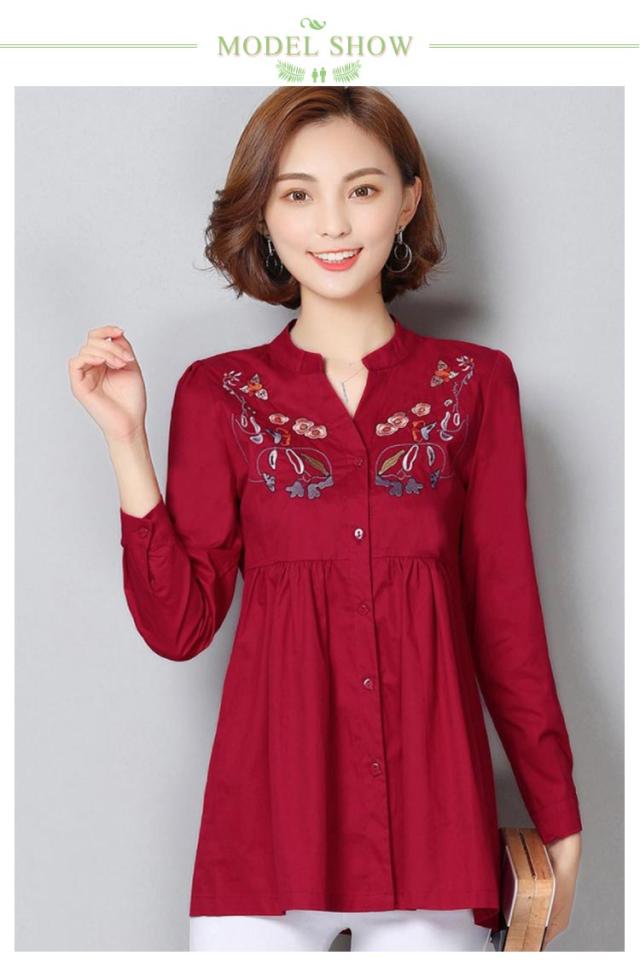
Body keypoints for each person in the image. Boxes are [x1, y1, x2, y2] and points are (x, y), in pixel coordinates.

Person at [68, 86, 583, 952]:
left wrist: (557, 816)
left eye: (363, 189)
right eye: (299, 194)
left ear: (408, 200)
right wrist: (126, 442)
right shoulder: (221, 393)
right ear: (264, 215)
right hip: (263, 836)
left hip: (435, 836)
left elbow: (508, 622)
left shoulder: (473, 386)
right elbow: (179, 625)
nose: (334, 224)